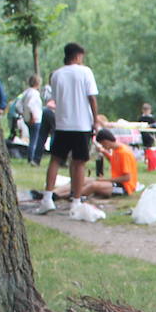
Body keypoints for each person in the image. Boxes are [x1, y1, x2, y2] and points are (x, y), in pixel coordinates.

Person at [37, 42, 99, 214]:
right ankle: (76, 200)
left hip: (63, 123)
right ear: (78, 56)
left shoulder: (56, 75)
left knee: (55, 160)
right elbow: (92, 98)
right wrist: (95, 120)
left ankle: (47, 198)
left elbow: (56, 99)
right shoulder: (85, 72)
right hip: (82, 124)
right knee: (79, 163)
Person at [39, 128, 135, 199]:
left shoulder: (123, 153)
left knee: (94, 185)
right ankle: (53, 192)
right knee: (82, 180)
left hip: (124, 187)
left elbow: (127, 178)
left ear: (106, 141)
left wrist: (105, 180)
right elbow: (115, 162)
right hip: (114, 182)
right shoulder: (116, 151)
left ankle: (65, 195)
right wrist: (104, 153)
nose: (103, 146)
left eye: (103, 144)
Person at [21, 74, 43, 166]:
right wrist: (32, 116)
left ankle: (30, 156)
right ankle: (32, 157)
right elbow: (30, 105)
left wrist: (23, 113)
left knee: (31, 138)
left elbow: (19, 105)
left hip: (26, 118)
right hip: (34, 119)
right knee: (34, 139)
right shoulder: (34, 93)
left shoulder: (26, 92)